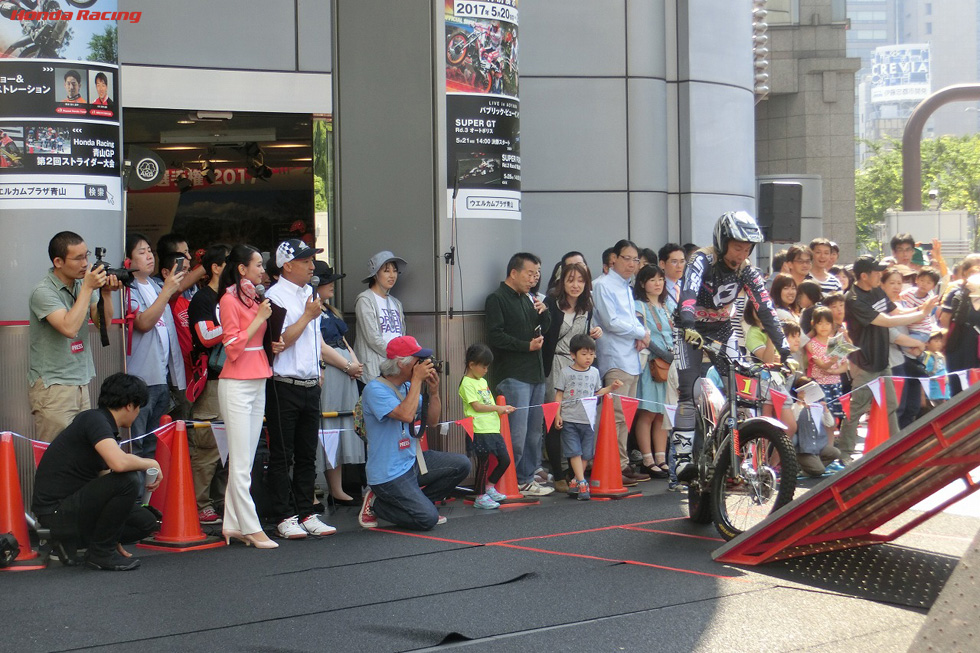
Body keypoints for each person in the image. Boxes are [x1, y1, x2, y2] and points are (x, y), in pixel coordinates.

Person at [673, 211, 790, 481]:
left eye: (748, 248)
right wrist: (689, 324)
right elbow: (688, 293)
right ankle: (681, 460)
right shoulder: (702, 258)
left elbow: (766, 308)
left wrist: (785, 351)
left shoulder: (747, 269)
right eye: (737, 246)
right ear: (722, 241)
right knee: (688, 390)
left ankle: (738, 455)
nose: (742, 253)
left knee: (742, 390)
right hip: (689, 328)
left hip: (722, 328)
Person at [32, 373, 160, 571]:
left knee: (145, 522)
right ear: (129, 405)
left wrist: (112, 529)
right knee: (128, 479)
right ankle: (101, 553)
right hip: (55, 511)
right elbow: (118, 464)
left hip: (74, 506)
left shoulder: (103, 425)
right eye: (138, 408)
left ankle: (81, 544)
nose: (137, 414)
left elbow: (105, 480)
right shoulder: (94, 419)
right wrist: (150, 462)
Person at [358, 336, 470, 530]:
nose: (423, 365)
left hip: (411, 462)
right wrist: (418, 380)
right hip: (388, 474)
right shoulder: (374, 389)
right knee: (427, 520)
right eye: (418, 361)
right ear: (402, 364)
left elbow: (433, 422)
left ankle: (419, 504)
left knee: (462, 465)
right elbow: (406, 415)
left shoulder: (408, 386)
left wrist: (434, 393)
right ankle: (376, 503)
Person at [265, 239, 336, 539]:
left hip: (309, 383)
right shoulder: (274, 296)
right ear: (287, 265)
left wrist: (318, 368)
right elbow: (278, 342)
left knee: (308, 453)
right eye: (306, 261)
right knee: (283, 454)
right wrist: (308, 316)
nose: (311, 266)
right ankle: (284, 515)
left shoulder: (309, 293)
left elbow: (313, 339)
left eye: (312, 260)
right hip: (283, 384)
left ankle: (306, 511)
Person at [838, 256, 938, 464]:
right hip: (864, 362)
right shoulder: (854, 299)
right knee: (857, 409)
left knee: (891, 405)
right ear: (864, 276)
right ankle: (845, 454)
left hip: (882, 361)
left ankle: (894, 448)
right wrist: (923, 313)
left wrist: (922, 309)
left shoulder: (876, 290)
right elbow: (887, 321)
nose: (880, 275)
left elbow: (897, 311)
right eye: (876, 272)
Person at [217, 244, 280, 549]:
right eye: (257, 265)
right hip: (237, 382)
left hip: (258, 377)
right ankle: (252, 527)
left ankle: (232, 524)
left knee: (245, 458)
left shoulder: (254, 297)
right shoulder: (229, 300)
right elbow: (231, 346)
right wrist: (259, 319)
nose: (261, 270)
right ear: (242, 268)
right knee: (241, 462)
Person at [29, 231, 119, 442]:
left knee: (82, 453)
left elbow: (103, 324)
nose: (85, 263)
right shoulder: (43, 291)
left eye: (86, 256)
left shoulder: (82, 285)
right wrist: (88, 288)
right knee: (56, 454)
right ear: (58, 262)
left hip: (81, 381)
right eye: (78, 258)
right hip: (53, 387)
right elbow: (69, 328)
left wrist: (106, 293)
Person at [485, 252, 554, 496]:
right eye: (529, 273)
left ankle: (526, 479)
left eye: (537, 274)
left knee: (534, 433)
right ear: (513, 272)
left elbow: (542, 329)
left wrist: (544, 311)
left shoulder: (529, 298)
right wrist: (526, 346)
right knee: (516, 434)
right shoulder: (496, 299)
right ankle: (506, 481)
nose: (534, 279)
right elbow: (495, 336)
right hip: (513, 375)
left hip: (535, 375)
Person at [592, 240, 652, 486]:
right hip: (615, 358)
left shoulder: (626, 287)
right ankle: (614, 464)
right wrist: (641, 333)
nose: (631, 263)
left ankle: (622, 463)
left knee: (625, 416)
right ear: (613, 259)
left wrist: (641, 333)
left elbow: (631, 321)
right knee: (615, 415)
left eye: (635, 259)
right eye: (626, 258)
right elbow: (611, 322)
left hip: (631, 358)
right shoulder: (603, 285)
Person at [124, 234, 186, 464]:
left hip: (161, 378)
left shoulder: (156, 285)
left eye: (150, 250)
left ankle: (148, 499)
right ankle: (136, 499)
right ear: (127, 261)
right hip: (140, 379)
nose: (150, 255)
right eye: (142, 252)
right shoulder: (128, 288)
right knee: (136, 445)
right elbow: (143, 323)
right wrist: (166, 292)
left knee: (152, 447)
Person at [542, 261, 600, 491]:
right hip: (555, 363)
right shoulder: (552, 304)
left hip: (579, 367)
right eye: (570, 280)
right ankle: (558, 474)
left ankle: (573, 474)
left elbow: (584, 339)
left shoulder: (587, 307)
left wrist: (595, 333)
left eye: (580, 280)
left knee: (578, 418)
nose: (575, 285)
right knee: (555, 420)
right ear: (562, 282)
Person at [314, 260, 364, 506]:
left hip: (345, 371)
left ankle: (337, 487)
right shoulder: (311, 310)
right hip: (331, 370)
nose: (332, 286)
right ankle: (314, 488)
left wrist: (355, 365)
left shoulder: (329, 310)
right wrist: (347, 366)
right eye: (328, 281)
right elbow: (320, 347)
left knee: (342, 425)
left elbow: (343, 340)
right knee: (327, 427)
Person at [186, 244, 229, 525]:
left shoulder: (234, 297)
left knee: (231, 447)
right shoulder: (203, 299)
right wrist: (237, 324)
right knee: (209, 446)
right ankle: (199, 504)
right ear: (215, 267)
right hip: (211, 381)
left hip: (235, 379)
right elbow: (205, 337)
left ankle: (224, 501)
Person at [554, 334, 623, 500]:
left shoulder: (594, 372)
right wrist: (557, 415)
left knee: (586, 453)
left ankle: (575, 481)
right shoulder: (565, 372)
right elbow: (559, 396)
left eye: (591, 354)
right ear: (573, 355)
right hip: (570, 418)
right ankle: (582, 482)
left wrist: (611, 387)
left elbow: (597, 392)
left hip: (588, 419)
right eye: (584, 354)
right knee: (574, 452)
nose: (588, 358)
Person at [458, 343, 514, 510]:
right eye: (483, 366)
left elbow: (486, 403)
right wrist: (498, 408)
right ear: (472, 365)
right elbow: (477, 406)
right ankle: (480, 496)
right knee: (483, 464)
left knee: (505, 459)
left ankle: (489, 487)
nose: (486, 370)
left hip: (492, 427)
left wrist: (502, 409)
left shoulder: (482, 381)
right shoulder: (466, 383)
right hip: (479, 428)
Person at [633, 264, 673, 478]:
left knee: (662, 414)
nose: (658, 284)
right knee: (648, 412)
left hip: (669, 366)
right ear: (642, 283)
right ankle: (647, 459)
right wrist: (664, 355)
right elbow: (643, 337)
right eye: (652, 280)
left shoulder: (668, 305)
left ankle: (661, 459)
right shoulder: (639, 305)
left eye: (660, 279)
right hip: (652, 365)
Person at [354, 250, 407, 383]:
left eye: (395, 271)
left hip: (396, 370)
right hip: (373, 371)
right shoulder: (365, 300)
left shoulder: (396, 303)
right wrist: (397, 355)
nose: (392, 275)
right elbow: (372, 338)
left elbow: (402, 335)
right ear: (375, 274)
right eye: (386, 271)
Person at [804, 306, 847, 423]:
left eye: (827, 323)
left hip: (836, 384)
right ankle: (824, 440)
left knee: (835, 418)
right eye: (820, 323)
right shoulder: (811, 344)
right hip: (819, 384)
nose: (824, 326)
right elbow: (821, 365)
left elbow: (845, 365)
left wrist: (834, 371)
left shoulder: (836, 342)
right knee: (821, 416)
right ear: (813, 324)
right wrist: (831, 363)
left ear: (832, 324)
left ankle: (831, 440)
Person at [922, 329, 949, 407]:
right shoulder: (926, 357)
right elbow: (923, 376)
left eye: (940, 341)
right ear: (927, 343)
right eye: (936, 341)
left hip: (944, 393)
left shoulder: (940, 356)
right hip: (933, 395)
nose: (939, 344)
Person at [658, 243, 686, 312]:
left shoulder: (686, 286)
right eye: (674, 262)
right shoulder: (657, 287)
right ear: (662, 264)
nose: (679, 266)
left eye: (682, 261)